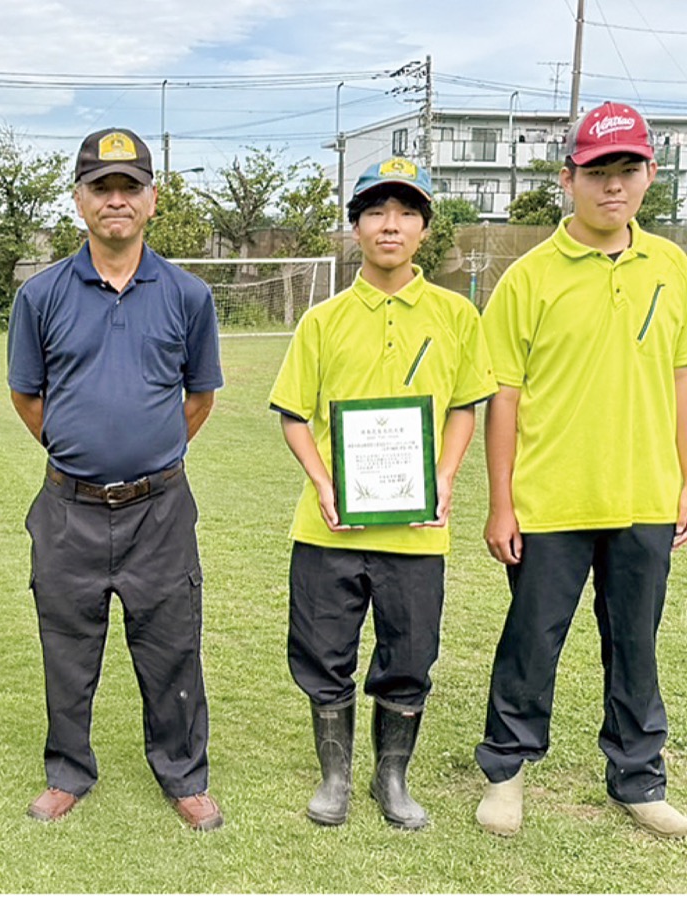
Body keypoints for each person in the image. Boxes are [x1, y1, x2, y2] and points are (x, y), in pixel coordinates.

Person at [475, 101, 687, 839]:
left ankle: (638, 776)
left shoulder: (673, 268)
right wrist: (502, 503)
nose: (613, 185)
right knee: (532, 642)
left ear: (651, 174)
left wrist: (683, 481)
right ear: (568, 179)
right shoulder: (528, 278)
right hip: (550, 498)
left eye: (627, 169)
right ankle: (506, 770)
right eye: (597, 172)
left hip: (645, 494)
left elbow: (681, 380)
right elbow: (504, 396)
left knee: (636, 645)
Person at [7, 127, 225, 830]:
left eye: (130, 186)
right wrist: (80, 450)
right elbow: (27, 396)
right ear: (79, 200)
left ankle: (183, 774)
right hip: (68, 508)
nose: (116, 199)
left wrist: (147, 455)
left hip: (159, 509)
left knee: (172, 647)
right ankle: (68, 771)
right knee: (67, 649)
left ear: (152, 199)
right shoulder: (40, 295)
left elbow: (199, 397)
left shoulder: (188, 295)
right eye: (101, 187)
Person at [268, 158, 496, 829]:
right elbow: (293, 414)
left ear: (424, 228)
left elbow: (464, 406)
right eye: (375, 211)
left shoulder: (456, 315)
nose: (390, 224)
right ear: (356, 228)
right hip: (329, 528)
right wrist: (323, 482)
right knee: (323, 652)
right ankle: (335, 776)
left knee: (410, 656)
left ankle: (390, 776)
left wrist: (445, 476)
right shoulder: (323, 320)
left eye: (405, 212)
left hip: (417, 531)